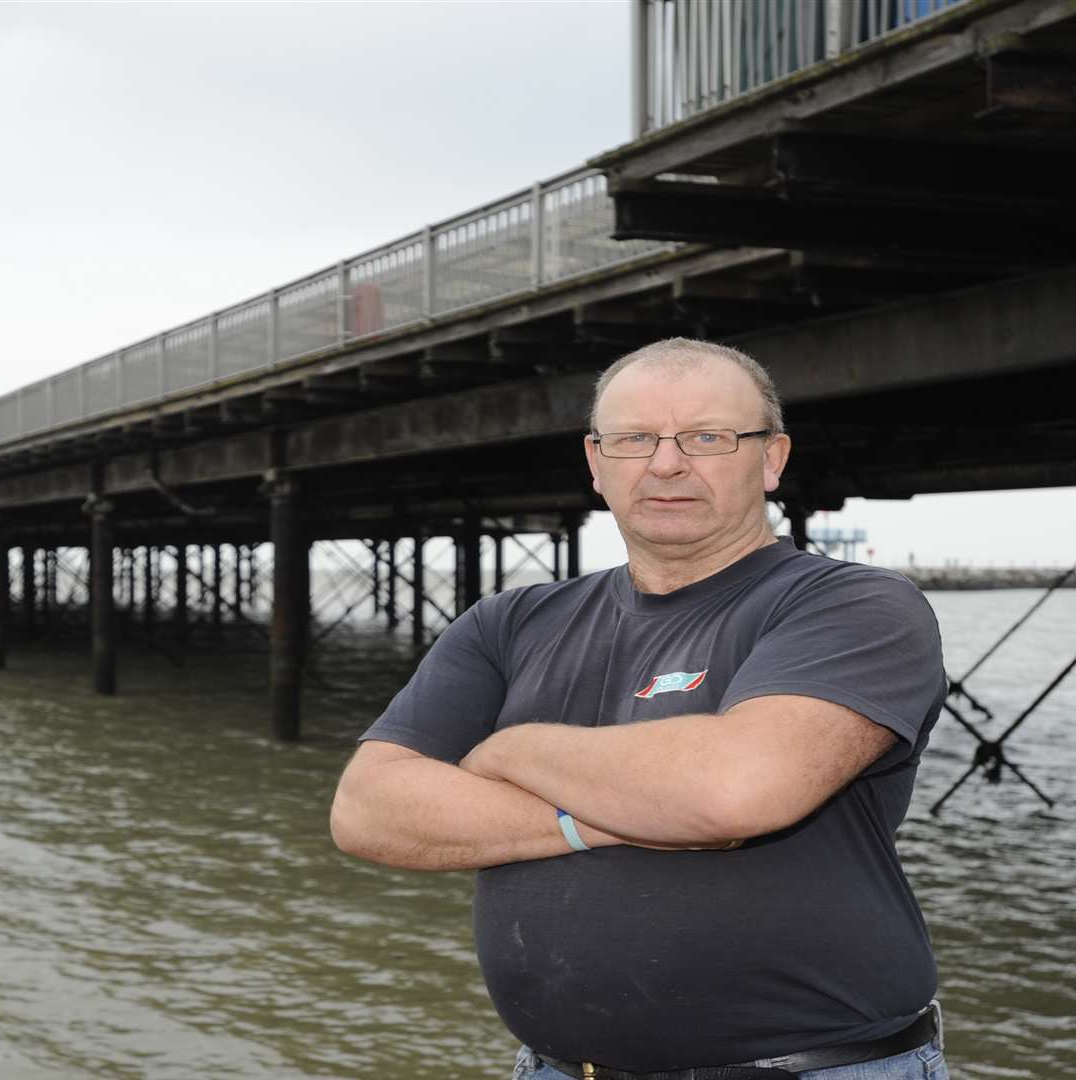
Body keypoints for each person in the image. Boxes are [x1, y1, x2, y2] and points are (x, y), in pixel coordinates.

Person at [330, 339, 949, 1079]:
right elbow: (367, 810)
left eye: (709, 437)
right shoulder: (508, 621)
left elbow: (733, 791)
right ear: (596, 462)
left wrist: (510, 753)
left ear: (773, 458)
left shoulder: (852, 604)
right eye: (633, 439)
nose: (666, 463)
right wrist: (619, 816)